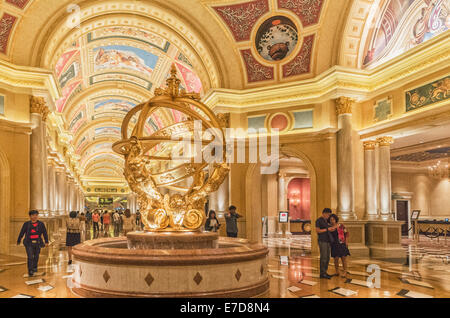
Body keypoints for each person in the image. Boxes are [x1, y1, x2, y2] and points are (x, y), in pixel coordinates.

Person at [17, 210, 49, 277]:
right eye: (33, 215)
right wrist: (19, 240)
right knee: (30, 256)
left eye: (36, 215)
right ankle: (30, 270)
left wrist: (46, 241)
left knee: (36, 256)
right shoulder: (26, 224)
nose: (35, 216)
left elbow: (45, 233)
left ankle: (34, 267)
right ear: (30, 216)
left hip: (38, 242)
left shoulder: (41, 224)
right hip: (28, 243)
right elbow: (22, 232)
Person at [315, 208, 336, 279]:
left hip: (328, 240)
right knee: (323, 257)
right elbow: (317, 231)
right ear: (324, 213)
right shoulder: (319, 220)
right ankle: (322, 273)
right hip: (322, 240)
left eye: (329, 215)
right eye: (328, 214)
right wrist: (327, 229)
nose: (328, 216)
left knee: (327, 257)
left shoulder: (327, 221)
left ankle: (325, 272)